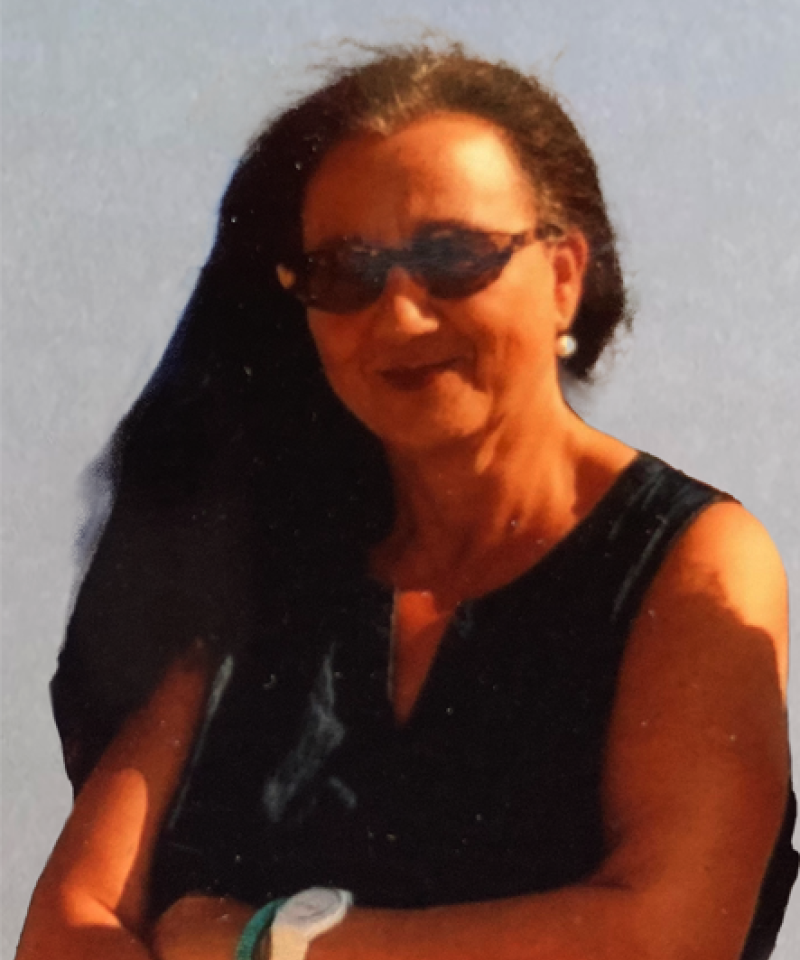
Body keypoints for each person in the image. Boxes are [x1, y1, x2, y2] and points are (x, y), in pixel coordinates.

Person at [16, 43, 797, 960]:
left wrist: (272, 944)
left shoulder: (687, 559)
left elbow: (669, 936)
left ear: (564, 277)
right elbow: (69, 924)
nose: (399, 313)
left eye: (453, 257)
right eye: (347, 272)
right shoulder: (261, 572)